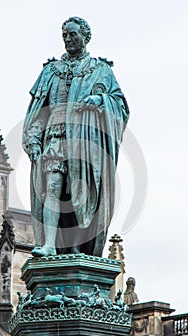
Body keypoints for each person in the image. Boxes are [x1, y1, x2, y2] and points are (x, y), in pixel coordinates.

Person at [22, 17, 129, 257]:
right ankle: (49, 244)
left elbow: (120, 105)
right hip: (55, 135)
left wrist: (100, 100)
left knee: (81, 194)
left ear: (85, 37)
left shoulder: (100, 69)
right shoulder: (51, 71)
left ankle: (81, 246)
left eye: (73, 35)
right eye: (65, 36)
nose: (69, 40)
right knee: (52, 187)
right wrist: (33, 137)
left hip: (84, 140)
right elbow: (39, 109)